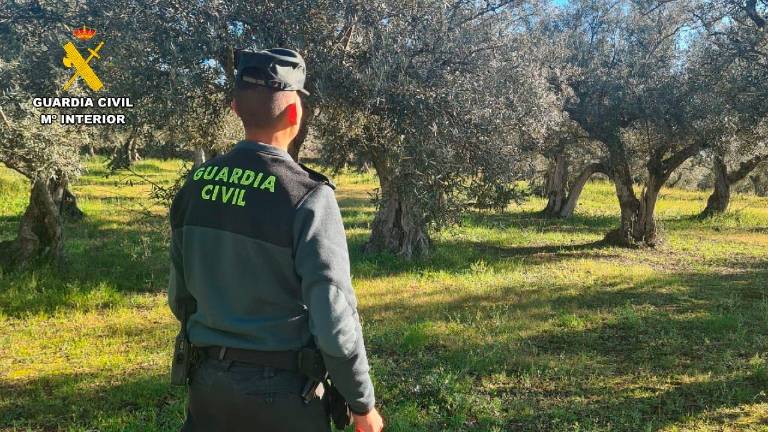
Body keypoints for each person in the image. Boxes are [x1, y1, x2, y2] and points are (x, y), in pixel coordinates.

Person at [168, 47, 384, 432]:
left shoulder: (195, 186)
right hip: (284, 395)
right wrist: (361, 403)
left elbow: (179, 298)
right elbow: (334, 321)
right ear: (295, 113)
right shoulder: (308, 196)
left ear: (235, 108)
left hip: (208, 385)